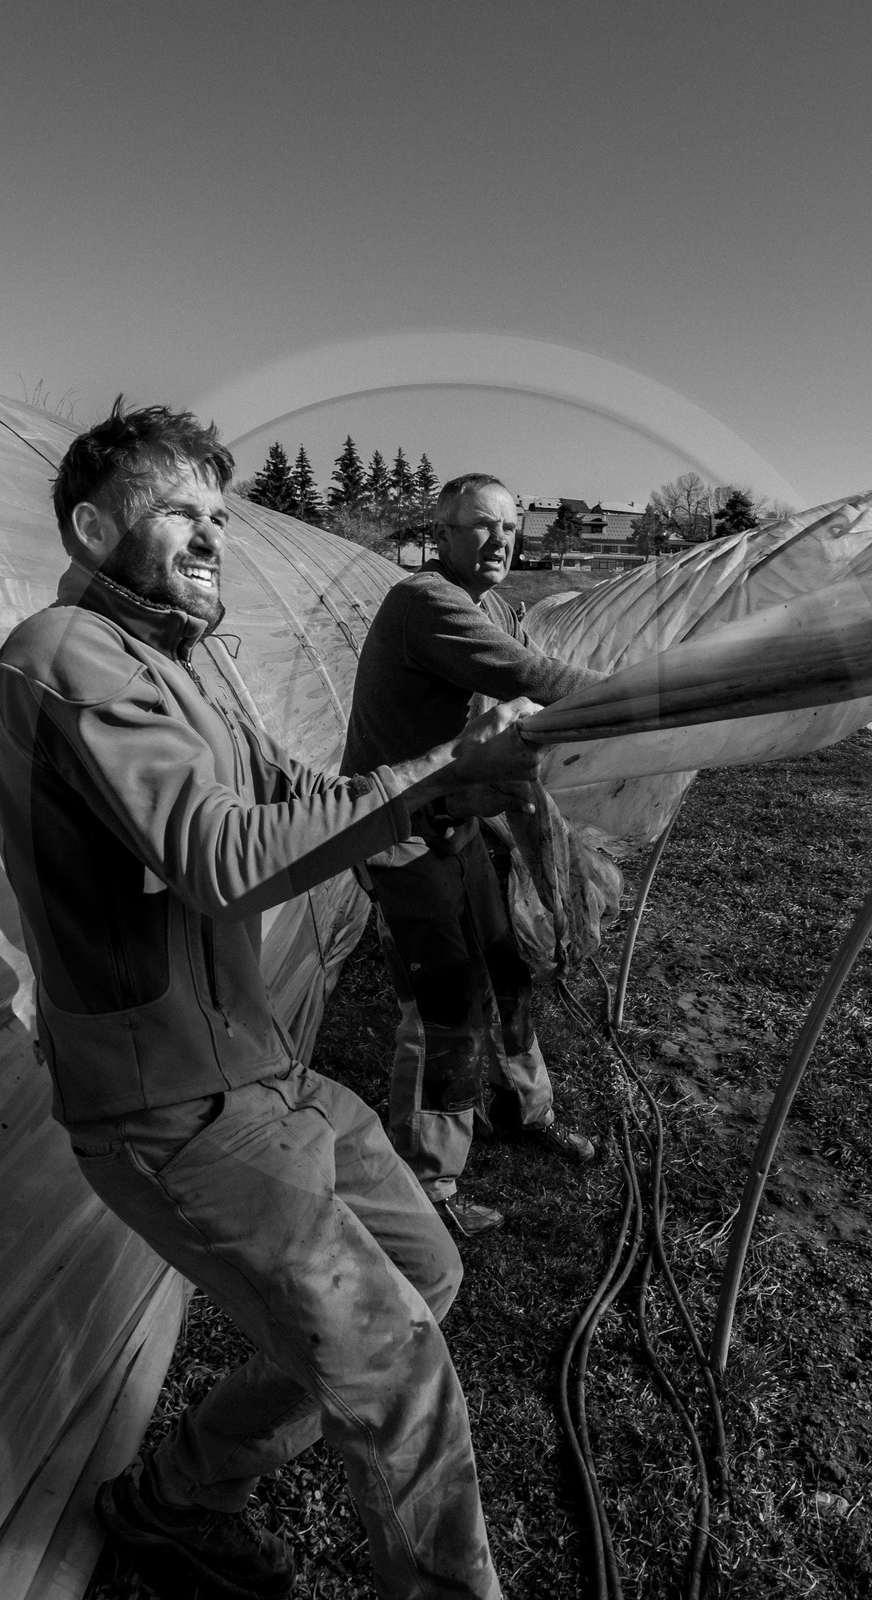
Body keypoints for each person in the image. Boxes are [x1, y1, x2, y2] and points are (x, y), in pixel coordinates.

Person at [0, 403, 534, 1600]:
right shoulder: (64, 656)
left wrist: (438, 793)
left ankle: (178, 1496)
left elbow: (294, 791)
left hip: (262, 1069)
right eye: (179, 510)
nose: (209, 534)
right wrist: (439, 769)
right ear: (91, 525)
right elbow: (217, 854)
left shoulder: (188, 654)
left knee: (424, 1273)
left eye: (218, 516)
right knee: (397, 1371)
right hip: (171, 1106)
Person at [343, 474, 606, 1238]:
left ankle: (524, 1110)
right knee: (445, 1009)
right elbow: (532, 681)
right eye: (482, 527)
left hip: (455, 818)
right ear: (445, 533)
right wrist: (650, 697)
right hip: (398, 830)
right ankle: (429, 1184)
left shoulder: (491, 605)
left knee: (509, 974)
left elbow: (511, 707)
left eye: (510, 527)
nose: (501, 541)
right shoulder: (424, 602)